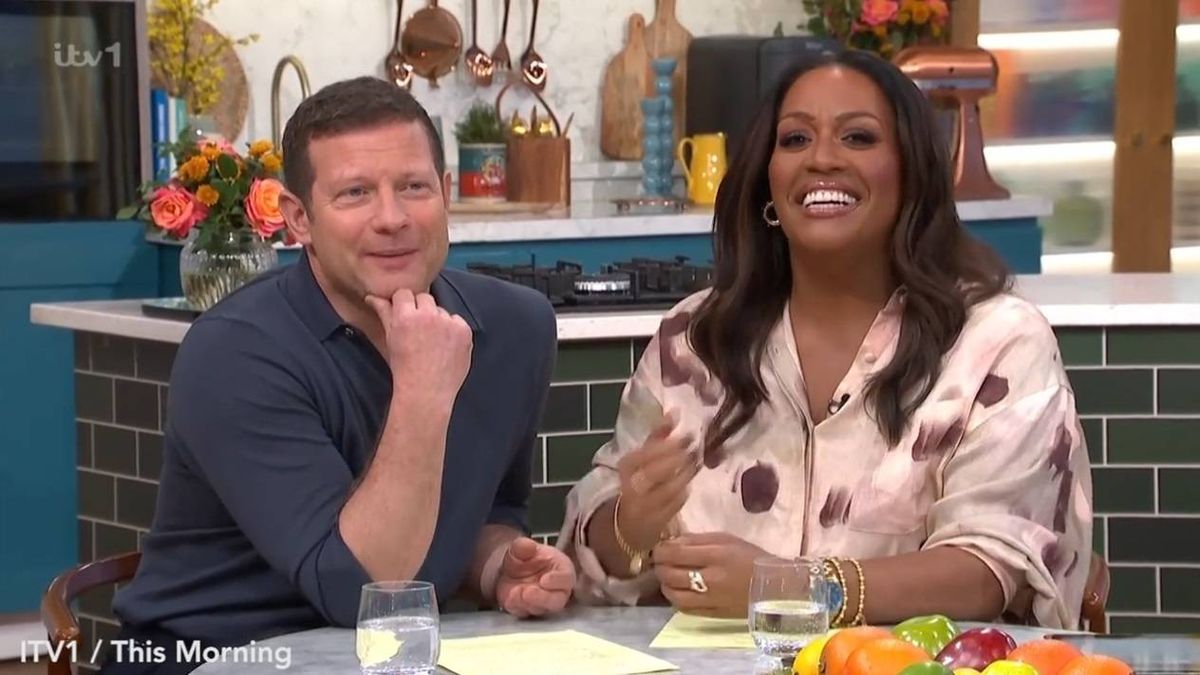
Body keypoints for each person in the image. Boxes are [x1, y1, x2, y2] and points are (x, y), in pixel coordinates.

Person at [558, 49, 1093, 630]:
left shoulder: (997, 343)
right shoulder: (694, 340)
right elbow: (593, 555)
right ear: (768, 181)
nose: (822, 159)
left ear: (911, 172)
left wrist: (791, 588)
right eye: (795, 139)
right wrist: (627, 528)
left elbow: (990, 571)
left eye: (858, 137)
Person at [105, 77, 574, 674]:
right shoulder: (234, 352)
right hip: (211, 656)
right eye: (355, 193)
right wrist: (422, 391)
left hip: (393, 659)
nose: (392, 218)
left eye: (414, 187)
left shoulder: (516, 326)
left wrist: (496, 565)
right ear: (298, 219)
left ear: (446, 193)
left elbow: (491, 510)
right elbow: (359, 591)